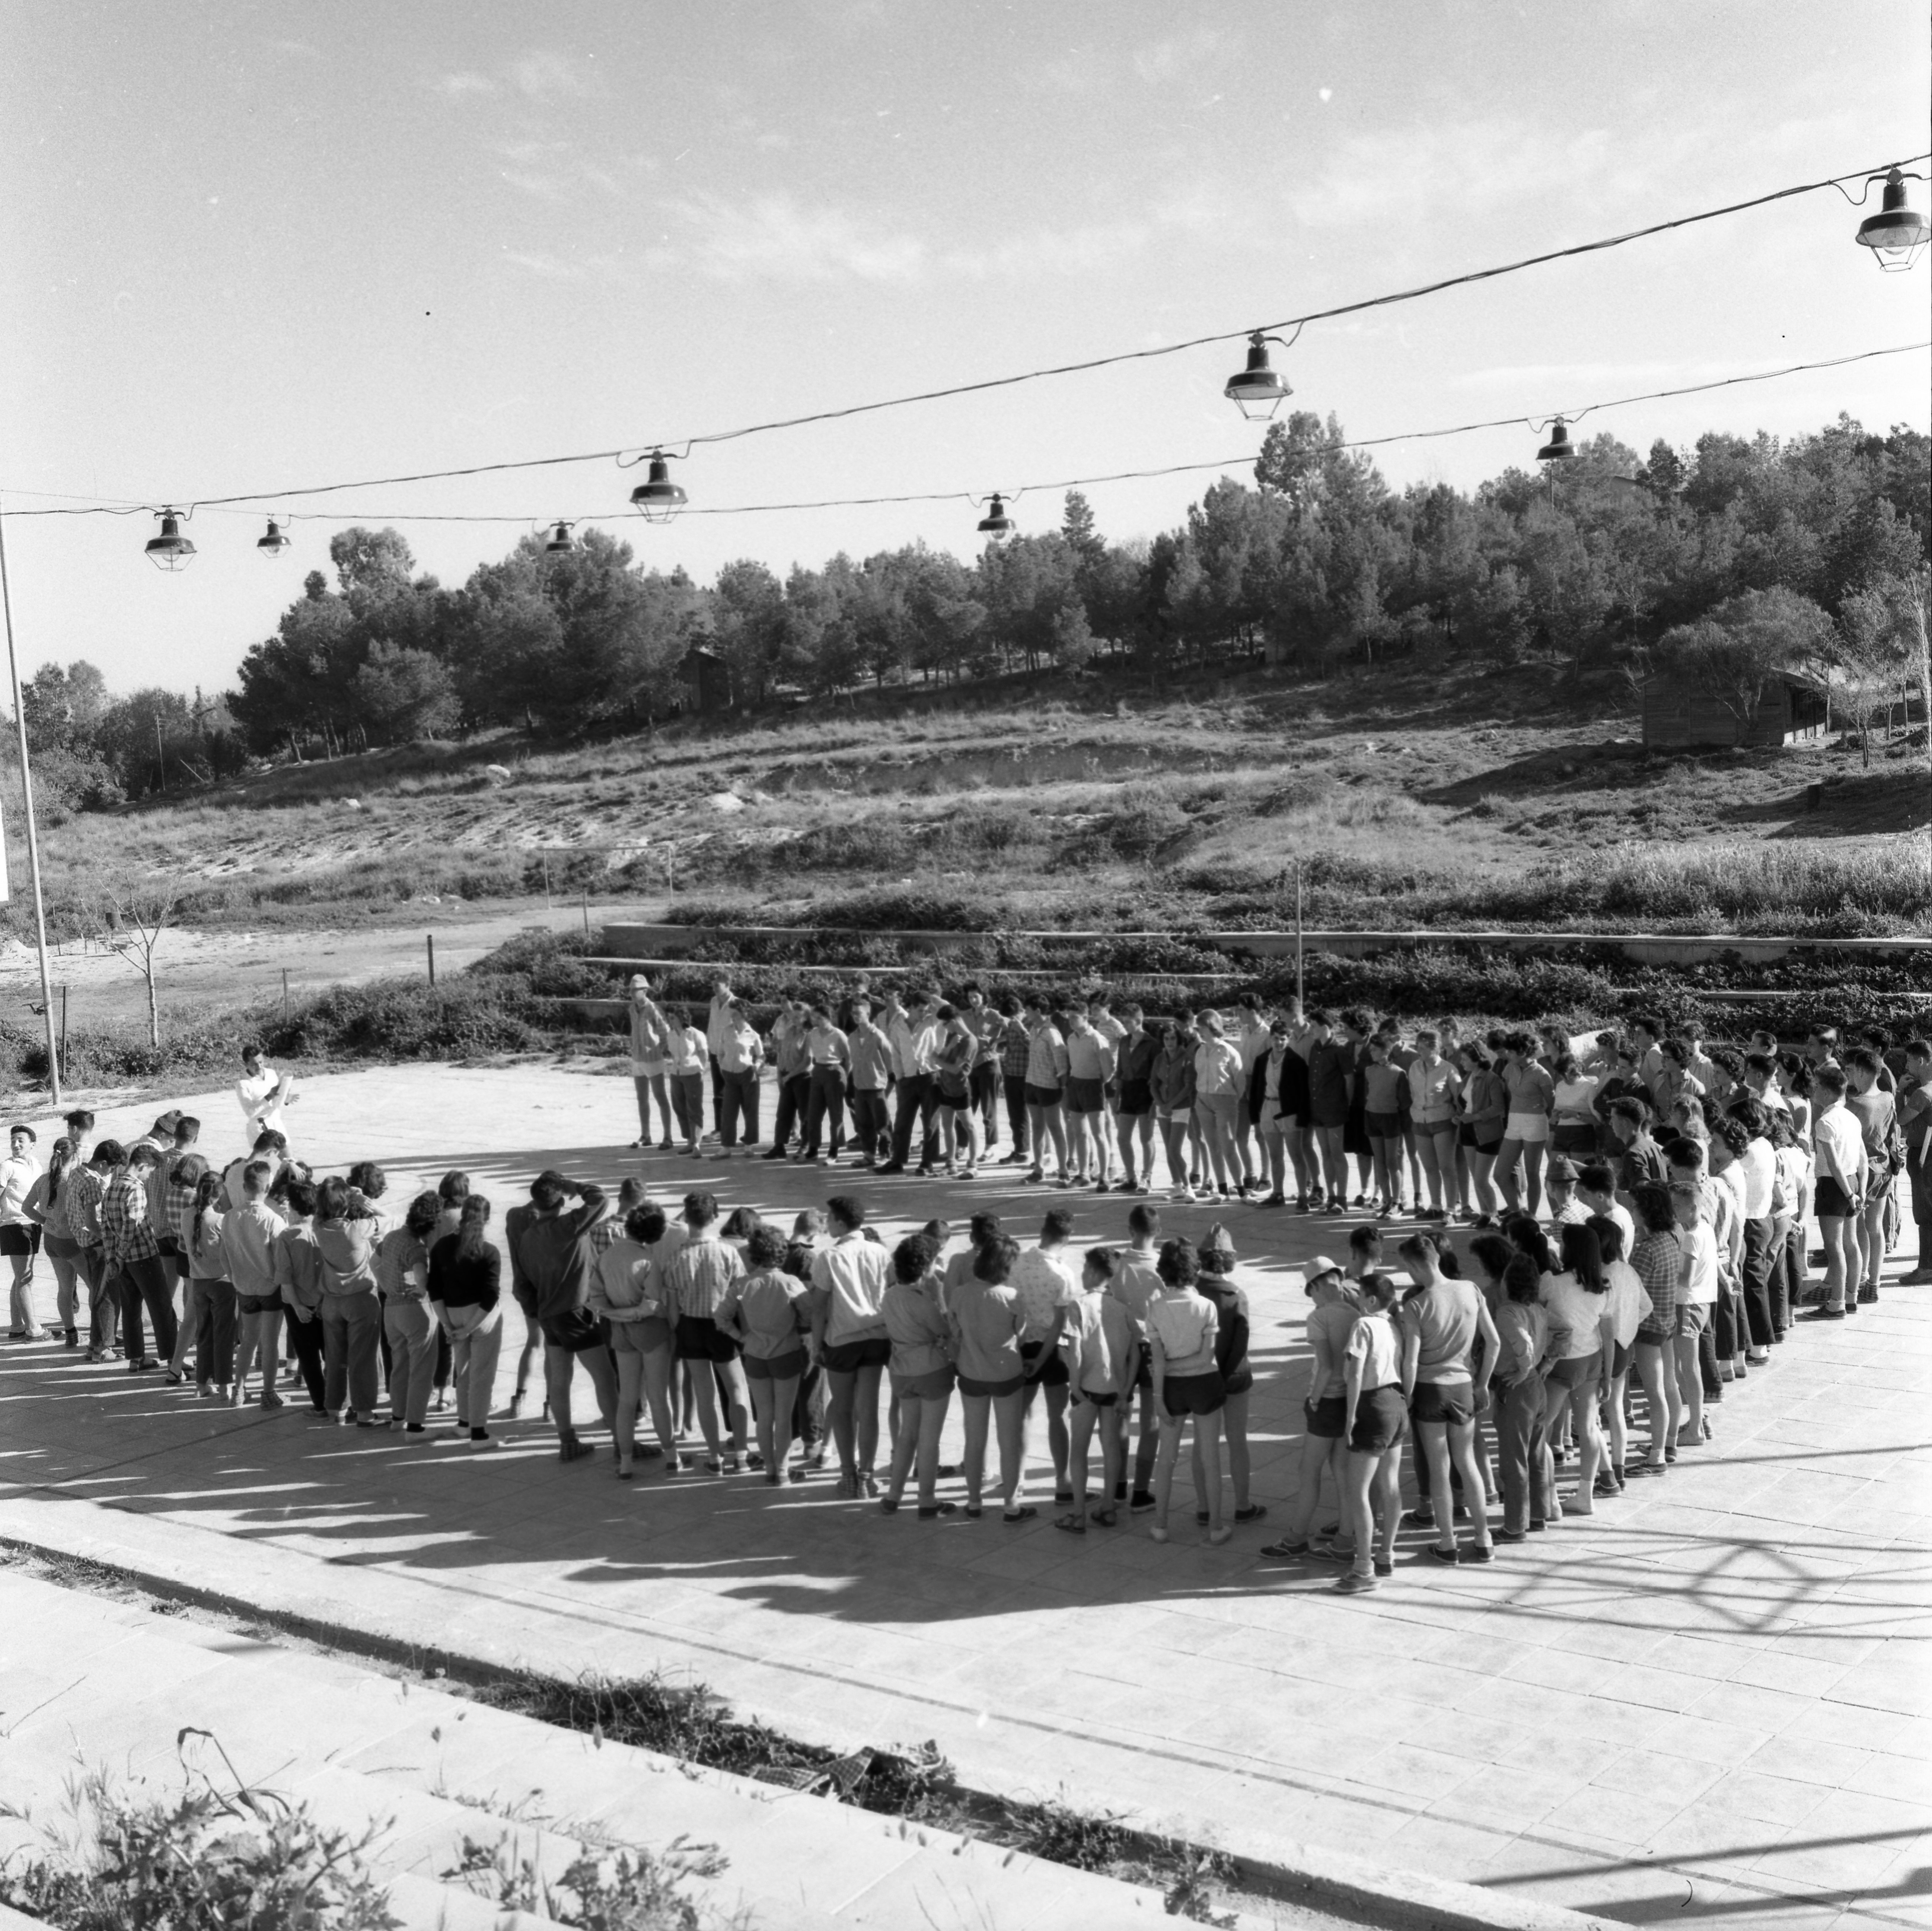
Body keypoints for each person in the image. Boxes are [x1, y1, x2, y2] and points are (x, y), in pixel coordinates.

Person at [1396, 1232, 1498, 1563]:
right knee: (1468, 1464)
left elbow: (1411, 1361)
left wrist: (1406, 1398)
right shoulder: (1470, 1290)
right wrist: (1481, 1384)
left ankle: (1447, 1543)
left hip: (1428, 1389)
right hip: (1463, 1387)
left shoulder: (1416, 1305)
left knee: (1439, 1469)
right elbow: (1493, 1343)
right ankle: (1484, 1540)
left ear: (1414, 1266)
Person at [504, 1169, 615, 1461]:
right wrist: (575, 1186)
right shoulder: (569, 1226)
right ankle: (623, 1442)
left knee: (559, 1380)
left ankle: (568, 1442)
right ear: (560, 1202)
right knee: (605, 1378)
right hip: (577, 1313)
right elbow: (601, 1199)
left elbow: (525, 1280)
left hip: (549, 1316)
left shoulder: (528, 1238)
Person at [1261, 1255, 1353, 1559]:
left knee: (1308, 1470)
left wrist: (1313, 1400)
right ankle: (1346, 1538)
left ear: (1315, 1287)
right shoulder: (1356, 1312)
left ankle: (1297, 1537)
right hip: (1350, 1401)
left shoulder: (1319, 1317)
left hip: (1327, 1402)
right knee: (1342, 1471)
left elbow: (1326, 1367)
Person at [1145, 1237, 1227, 1545]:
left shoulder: (1155, 1308)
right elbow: (1207, 1357)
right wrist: (1174, 1367)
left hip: (1170, 1391)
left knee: (1165, 1460)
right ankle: (1216, 1527)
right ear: (1195, 1269)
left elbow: (1158, 1360)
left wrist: (1159, 1392)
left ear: (1163, 1270)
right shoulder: (1206, 1306)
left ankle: (1161, 1525)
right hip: (1205, 1384)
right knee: (1211, 1459)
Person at [809, 1194, 892, 1495]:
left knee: (843, 1409)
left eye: (830, 1218)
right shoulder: (881, 1252)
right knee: (868, 1410)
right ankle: (868, 1476)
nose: (827, 1223)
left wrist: (816, 1345)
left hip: (842, 1341)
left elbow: (818, 1307)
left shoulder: (829, 1257)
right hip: (876, 1338)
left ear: (841, 1223)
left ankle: (848, 1476)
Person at [662, 1190, 750, 1471]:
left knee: (704, 1393)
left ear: (687, 1217)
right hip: (723, 1326)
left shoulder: (677, 1256)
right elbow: (741, 1297)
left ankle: (714, 1457)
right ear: (714, 1217)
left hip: (691, 1326)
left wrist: (680, 1330)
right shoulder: (728, 1253)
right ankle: (742, 1455)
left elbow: (673, 1306)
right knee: (737, 1389)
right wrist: (744, 1332)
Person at [718, 1222, 812, 1484]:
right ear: (781, 1253)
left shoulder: (743, 1284)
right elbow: (809, 1312)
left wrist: (742, 1337)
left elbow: (721, 1317)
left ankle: (770, 1468)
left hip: (756, 1356)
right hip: (787, 1354)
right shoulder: (790, 1282)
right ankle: (783, 1472)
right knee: (784, 1417)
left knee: (765, 1416)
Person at [948, 1233, 1032, 1520]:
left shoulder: (959, 1294)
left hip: (971, 1372)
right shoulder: (1012, 1298)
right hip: (1006, 1374)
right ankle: (1011, 1505)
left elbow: (955, 1331)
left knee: (974, 1440)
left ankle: (973, 1502)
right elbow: (1021, 1334)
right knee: (1008, 1441)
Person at [1333, 1270, 1407, 1593]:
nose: (1359, 1301)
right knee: (1390, 1486)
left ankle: (1363, 1568)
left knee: (1357, 1490)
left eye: (1361, 1295)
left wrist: (1350, 1418)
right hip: (1397, 1404)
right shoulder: (1394, 1327)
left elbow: (1356, 1374)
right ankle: (1386, 1555)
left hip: (1372, 1405)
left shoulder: (1364, 1325)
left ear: (1372, 1299)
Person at [1474, 1246, 1552, 1540]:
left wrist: (1524, 1367)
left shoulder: (1507, 1312)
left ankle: (1515, 1525)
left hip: (1517, 1388)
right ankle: (1538, 1515)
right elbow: (1563, 1333)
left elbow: (1522, 1343)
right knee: (1535, 1455)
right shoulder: (1539, 1310)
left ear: (1509, 1282)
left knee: (1513, 1459)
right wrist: (1543, 1365)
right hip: (1536, 1387)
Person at [1056, 1244, 1135, 1533]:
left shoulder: (1079, 1306)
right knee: (1111, 1447)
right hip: (1114, 1388)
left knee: (1079, 1451)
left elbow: (1074, 1351)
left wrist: (1075, 1387)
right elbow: (1136, 1351)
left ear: (1090, 1271)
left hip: (1086, 1388)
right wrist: (1126, 1388)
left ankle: (1078, 1514)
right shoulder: (1122, 1309)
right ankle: (1108, 1507)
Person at [879, 1230, 954, 1515]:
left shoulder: (889, 1297)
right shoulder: (923, 1301)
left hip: (902, 1371)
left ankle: (893, 1495)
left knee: (907, 1434)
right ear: (926, 1267)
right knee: (929, 1439)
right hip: (932, 1371)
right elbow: (944, 1332)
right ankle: (927, 1499)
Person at [1010, 1209, 1081, 1501]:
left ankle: (1016, 1480)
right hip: (1053, 1352)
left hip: (1023, 1345)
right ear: (1068, 1238)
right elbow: (1060, 1325)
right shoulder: (1063, 1274)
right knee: (1058, 1417)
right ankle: (1063, 1482)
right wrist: (1042, 1360)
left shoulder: (1018, 1263)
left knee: (1021, 1416)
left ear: (1043, 1232)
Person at [1196, 1226, 1263, 1526]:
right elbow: (1241, 1343)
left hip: (1200, 1377)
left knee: (1202, 1444)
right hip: (1234, 1377)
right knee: (1237, 1440)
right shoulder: (1237, 1296)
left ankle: (1203, 1507)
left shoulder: (1192, 1292)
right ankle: (1242, 1504)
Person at [426, 1193, 504, 1446]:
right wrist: (471, 1327)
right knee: (482, 1375)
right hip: (480, 1318)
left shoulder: (442, 1247)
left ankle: (464, 1424)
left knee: (464, 1370)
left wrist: (448, 1325)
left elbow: (434, 1288)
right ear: (487, 1219)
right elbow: (491, 1296)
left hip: (452, 1314)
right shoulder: (489, 1251)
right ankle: (479, 1434)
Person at [310, 1176, 385, 1425]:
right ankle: (365, 1413)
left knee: (335, 1358)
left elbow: (321, 1212)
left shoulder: (319, 1227)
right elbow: (386, 1220)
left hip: (332, 1302)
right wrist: (363, 1200)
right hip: (360, 1299)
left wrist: (343, 1196)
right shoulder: (357, 1229)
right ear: (345, 1206)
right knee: (362, 1359)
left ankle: (337, 1410)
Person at [100, 1142, 175, 1372]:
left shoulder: (113, 1187)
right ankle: (174, 1359)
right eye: (151, 1170)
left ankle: (137, 1358)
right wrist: (121, 1256)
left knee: (131, 1308)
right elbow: (132, 1226)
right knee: (162, 1306)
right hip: (143, 1256)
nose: (150, 1175)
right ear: (143, 1165)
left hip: (121, 1261)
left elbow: (106, 1226)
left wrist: (113, 1258)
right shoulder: (136, 1188)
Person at [1801, 1066, 1868, 1321]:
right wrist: (1859, 1189)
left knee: (1834, 1247)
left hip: (1834, 1186)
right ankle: (1851, 1298)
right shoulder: (1852, 1118)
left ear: (1828, 1092)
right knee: (1851, 1243)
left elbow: (1833, 1163)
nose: (1814, 1090)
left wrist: (1850, 1194)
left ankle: (1836, 1304)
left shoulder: (1825, 1122)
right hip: (1851, 1183)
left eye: (1817, 1087)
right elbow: (1862, 1158)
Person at [375, 1192, 441, 1434]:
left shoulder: (392, 1237)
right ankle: (415, 1425)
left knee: (400, 1365)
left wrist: (388, 1286)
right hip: (415, 1311)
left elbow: (374, 1264)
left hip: (391, 1309)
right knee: (422, 1370)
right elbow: (422, 1278)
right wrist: (424, 1288)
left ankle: (397, 1418)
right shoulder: (417, 1247)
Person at [1844, 1047, 1897, 1306]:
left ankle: (1859, 1277)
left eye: (1853, 1071)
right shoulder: (1888, 1097)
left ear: (1863, 1072)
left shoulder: (1855, 1104)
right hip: (1884, 1168)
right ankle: (1873, 1283)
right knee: (1876, 1228)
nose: (1851, 1076)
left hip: (1861, 1172)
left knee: (1857, 1229)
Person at [22, 1136, 82, 1347]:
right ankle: (103, 1334)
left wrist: (46, 1221)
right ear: (74, 1156)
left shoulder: (43, 1180)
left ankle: (71, 1332)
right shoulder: (74, 1181)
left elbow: (26, 1208)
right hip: (72, 1241)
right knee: (95, 1285)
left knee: (65, 1288)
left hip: (52, 1240)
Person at [184, 1168, 236, 1401]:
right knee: (224, 1337)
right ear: (218, 1193)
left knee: (204, 1336)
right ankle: (225, 1386)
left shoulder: (186, 1215)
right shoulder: (220, 1221)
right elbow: (229, 1255)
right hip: (222, 1283)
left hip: (198, 1283)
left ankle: (202, 1384)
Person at [1496, 1032, 1555, 1217]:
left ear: (1522, 1052)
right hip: (1514, 1123)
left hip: (1536, 1124)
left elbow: (1551, 1102)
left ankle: (1532, 1216)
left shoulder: (1542, 1074)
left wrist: (1544, 1117)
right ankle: (1517, 1213)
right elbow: (1507, 1093)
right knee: (1500, 1174)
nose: (1507, 1054)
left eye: (1511, 1051)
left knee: (1532, 1173)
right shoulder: (1509, 1069)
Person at [1406, 1029, 1462, 1221]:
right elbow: (1413, 1093)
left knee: (1447, 1167)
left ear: (1434, 1048)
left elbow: (1459, 1098)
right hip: (1420, 1122)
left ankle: (1451, 1210)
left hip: (1443, 1122)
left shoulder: (1448, 1069)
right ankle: (1436, 1206)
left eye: (1422, 1048)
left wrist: (1459, 1118)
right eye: (1417, 1047)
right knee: (1430, 1167)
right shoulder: (1414, 1067)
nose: (1418, 1051)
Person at [1191, 1012, 1245, 1201]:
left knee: (1228, 1146)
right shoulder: (1200, 1050)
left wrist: (1231, 1101)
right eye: (1198, 1028)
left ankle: (1240, 1189)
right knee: (1213, 1146)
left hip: (1225, 1100)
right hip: (1203, 1100)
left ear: (1212, 1027)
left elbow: (1240, 1080)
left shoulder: (1228, 1051)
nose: (1199, 1032)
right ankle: (1222, 1189)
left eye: (1202, 1028)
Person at [1019, 995, 1070, 1185]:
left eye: (1029, 1010)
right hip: (1032, 1083)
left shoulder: (1052, 1033)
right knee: (1037, 1127)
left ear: (1038, 1011)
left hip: (1049, 1086)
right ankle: (1039, 1169)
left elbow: (1062, 1064)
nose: (1026, 1013)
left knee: (1055, 1127)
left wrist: (1063, 1090)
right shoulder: (1034, 1029)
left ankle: (1064, 1170)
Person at [1456, 1041, 1508, 1223]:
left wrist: (1475, 1117)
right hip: (1468, 1130)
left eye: (1465, 1059)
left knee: (1481, 1179)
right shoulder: (1468, 1077)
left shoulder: (1491, 1079)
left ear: (1477, 1060)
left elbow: (1498, 1108)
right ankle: (1485, 1214)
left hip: (1487, 1133)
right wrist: (1462, 1117)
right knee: (1476, 1177)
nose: (1462, 1062)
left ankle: (1493, 1216)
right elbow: (1467, 1103)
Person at [1, 1124, 44, 1338]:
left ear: (33, 1145)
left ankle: (17, 1327)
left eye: (21, 1141)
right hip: (15, 1225)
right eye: (13, 1141)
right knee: (25, 1278)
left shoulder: (37, 1165)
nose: (16, 1144)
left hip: (33, 1224)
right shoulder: (7, 1166)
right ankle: (34, 1329)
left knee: (20, 1277)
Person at [624, 976, 675, 1149]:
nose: (632, 993)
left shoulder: (653, 1009)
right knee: (642, 1099)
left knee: (660, 1097)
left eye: (635, 990)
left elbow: (665, 1031)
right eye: (631, 990)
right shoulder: (632, 1009)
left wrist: (664, 1050)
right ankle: (646, 1135)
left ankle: (668, 1136)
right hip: (638, 1058)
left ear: (645, 991)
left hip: (653, 1058)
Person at [931, 1004, 982, 1177]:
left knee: (969, 1126)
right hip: (946, 1087)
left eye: (945, 1024)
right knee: (947, 1125)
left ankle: (973, 1164)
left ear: (952, 1021)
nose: (944, 1028)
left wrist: (937, 1061)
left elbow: (956, 1069)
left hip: (960, 1088)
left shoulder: (969, 1041)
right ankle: (951, 1163)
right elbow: (944, 1058)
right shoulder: (954, 1036)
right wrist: (948, 1048)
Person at [845, 995, 895, 1170]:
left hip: (876, 1087)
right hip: (860, 1086)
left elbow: (891, 1065)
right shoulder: (852, 1037)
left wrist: (887, 1087)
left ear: (868, 1014)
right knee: (864, 1123)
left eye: (859, 1013)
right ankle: (869, 1155)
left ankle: (885, 1154)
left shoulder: (878, 1036)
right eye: (853, 1013)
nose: (856, 1016)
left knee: (882, 1123)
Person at [712, 995, 765, 1157]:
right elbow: (720, 1053)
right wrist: (723, 1066)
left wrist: (756, 1067)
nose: (731, 1015)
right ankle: (726, 1147)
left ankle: (749, 1145)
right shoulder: (726, 1031)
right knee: (728, 1111)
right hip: (730, 1076)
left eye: (734, 1013)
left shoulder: (753, 1035)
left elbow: (761, 1056)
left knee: (750, 1110)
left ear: (743, 1014)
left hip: (748, 1075)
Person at [1113, 1003, 1158, 1195]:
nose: (1125, 1026)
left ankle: (1146, 1178)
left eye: (1128, 1022)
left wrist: (1156, 1100)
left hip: (1145, 1092)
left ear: (1139, 1022)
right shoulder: (1124, 1041)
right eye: (1124, 1022)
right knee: (1123, 1137)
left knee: (1146, 1137)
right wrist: (1116, 1097)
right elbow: (1120, 1070)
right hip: (1128, 1091)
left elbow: (1156, 1074)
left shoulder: (1152, 1044)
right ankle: (1131, 1178)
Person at [1150, 1018, 1197, 1200]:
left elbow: (1188, 1087)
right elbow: (1154, 1084)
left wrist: (1171, 1105)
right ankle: (1177, 1187)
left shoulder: (1187, 1059)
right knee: (1169, 1150)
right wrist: (1161, 1104)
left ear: (1178, 1040)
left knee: (1175, 1150)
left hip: (1181, 1108)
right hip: (1162, 1107)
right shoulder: (1160, 1059)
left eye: (1172, 1039)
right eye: (1166, 1039)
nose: (1169, 1042)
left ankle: (1188, 1188)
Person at [1359, 1037, 1406, 1216]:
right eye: (1371, 1050)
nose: (1371, 1052)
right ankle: (1386, 1200)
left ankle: (1397, 1202)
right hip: (1372, 1117)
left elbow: (1404, 1103)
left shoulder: (1399, 1073)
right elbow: (1367, 1094)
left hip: (1391, 1120)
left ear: (1386, 1052)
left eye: (1375, 1050)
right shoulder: (1369, 1071)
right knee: (1379, 1160)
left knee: (1392, 1161)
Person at [799, 1002, 850, 1165]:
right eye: (814, 1018)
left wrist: (846, 1077)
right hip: (818, 1071)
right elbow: (809, 1056)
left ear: (829, 1019)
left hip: (834, 1071)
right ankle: (813, 1149)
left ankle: (834, 1151)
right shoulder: (813, 1034)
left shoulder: (838, 1035)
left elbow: (849, 1058)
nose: (816, 1022)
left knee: (836, 1114)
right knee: (813, 1113)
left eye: (820, 1019)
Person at [994, 993, 1033, 1167]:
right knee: (1015, 1116)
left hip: (1029, 1076)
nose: (1011, 1020)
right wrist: (997, 1039)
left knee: (1037, 1117)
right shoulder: (1010, 1024)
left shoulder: (1032, 1024)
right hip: (1011, 1074)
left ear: (1023, 1012)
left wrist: (1021, 1029)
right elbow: (1010, 1040)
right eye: (1008, 1018)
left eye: (1014, 1016)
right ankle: (1020, 1150)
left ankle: (1043, 1153)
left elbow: (1034, 1046)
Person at [236, 1045, 298, 1143]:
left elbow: (277, 1099)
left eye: (261, 1062)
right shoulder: (243, 1084)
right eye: (254, 1064)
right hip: (261, 1127)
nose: (259, 1067)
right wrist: (268, 1097)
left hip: (276, 1121)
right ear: (246, 1065)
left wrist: (286, 1098)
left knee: (288, 1158)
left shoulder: (271, 1074)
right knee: (277, 1158)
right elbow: (250, 1113)